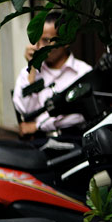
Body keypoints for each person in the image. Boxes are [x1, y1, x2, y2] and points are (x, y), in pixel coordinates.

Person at [12, 11, 93, 141]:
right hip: (39, 143)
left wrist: (39, 125)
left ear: (66, 41)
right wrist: (32, 68)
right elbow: (24, 110)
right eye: (36, 40)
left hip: (74, 140)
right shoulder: (29, 73)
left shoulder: (83, 72)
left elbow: (81, 114)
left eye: (46, 41)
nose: (38, 47)